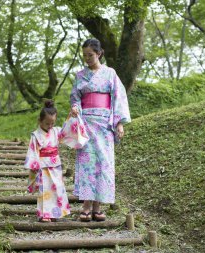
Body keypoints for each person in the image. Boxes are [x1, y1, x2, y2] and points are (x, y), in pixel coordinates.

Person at [70, 38, 131, 222]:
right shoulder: (80, 75)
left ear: (99, 54)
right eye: (85, 56)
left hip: (105, 125)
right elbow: (75, 98)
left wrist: (119, 122)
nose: (87, 59)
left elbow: (118, 98)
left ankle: (98, 206)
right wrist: (75, 107)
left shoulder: (110, 73)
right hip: (86, 124)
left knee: (103, 164)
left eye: (91, 55)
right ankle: (86, 206)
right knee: (88, 164)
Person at [24, 100, 71, 222]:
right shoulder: (36, 135)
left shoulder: (56, 131)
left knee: (57, 188)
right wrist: (34, 166)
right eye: (47, 123)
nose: (50, 126)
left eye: (52, 123)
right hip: (43, 166)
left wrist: (71, 117)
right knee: (45, 190)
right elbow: (33, 151)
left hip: (55, 165)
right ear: (39, 121)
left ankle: (55, 213)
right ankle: (45, 214)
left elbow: (66, 132)